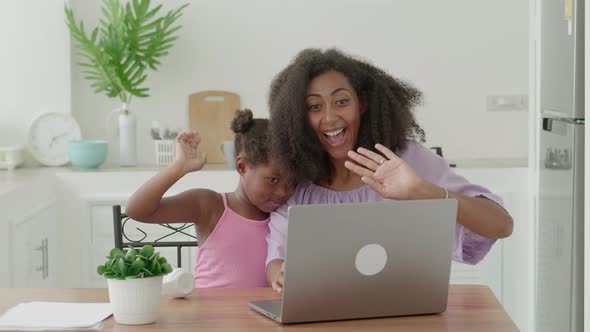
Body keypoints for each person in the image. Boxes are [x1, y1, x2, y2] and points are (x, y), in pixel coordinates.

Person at [265, 48, 514, 293]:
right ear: (298, 116)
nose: (329, 118)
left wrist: (421, 190)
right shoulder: (296, 178)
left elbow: (502, 225)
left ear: (361, 103)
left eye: (341, 102)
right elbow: (276, 257)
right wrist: (280, 275)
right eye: (314, 107)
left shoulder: (404, 161)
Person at [125, 109, 294, 288]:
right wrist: (178, 167)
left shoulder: (284, 218)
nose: (284, 191)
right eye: (273, 180)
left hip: (260, 315)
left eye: (292, 181)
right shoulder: (210, 205)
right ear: (242, 167)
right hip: (208, 314)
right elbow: (137, 210)